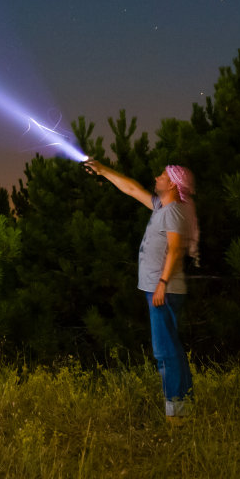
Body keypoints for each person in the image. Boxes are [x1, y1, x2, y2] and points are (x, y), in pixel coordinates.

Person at [84, 158, 199, 423]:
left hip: (164, 291)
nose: (156, 177)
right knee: (173, 348)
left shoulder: (173, 211)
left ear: (171, 183)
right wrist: (103, 170)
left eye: (162, 175)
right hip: (163, 289)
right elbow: (132, 189)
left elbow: (176, 248)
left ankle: (175, 412)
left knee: (164, 351)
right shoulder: (164, 207)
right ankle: (185, 405)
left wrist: (162, 283)